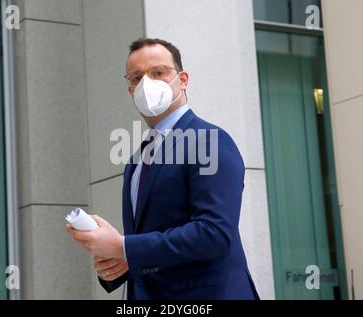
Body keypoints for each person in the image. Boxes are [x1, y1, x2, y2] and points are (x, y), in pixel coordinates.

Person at [67, 38, 259, 300]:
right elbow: (147, 244)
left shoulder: (209, 141)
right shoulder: (137, 160)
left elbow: (214, 233)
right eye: (136, 78)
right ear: (130, 89)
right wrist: (117, 263)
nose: (147, 84)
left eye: (158, 73)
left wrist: (123, 247)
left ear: (183, 79)